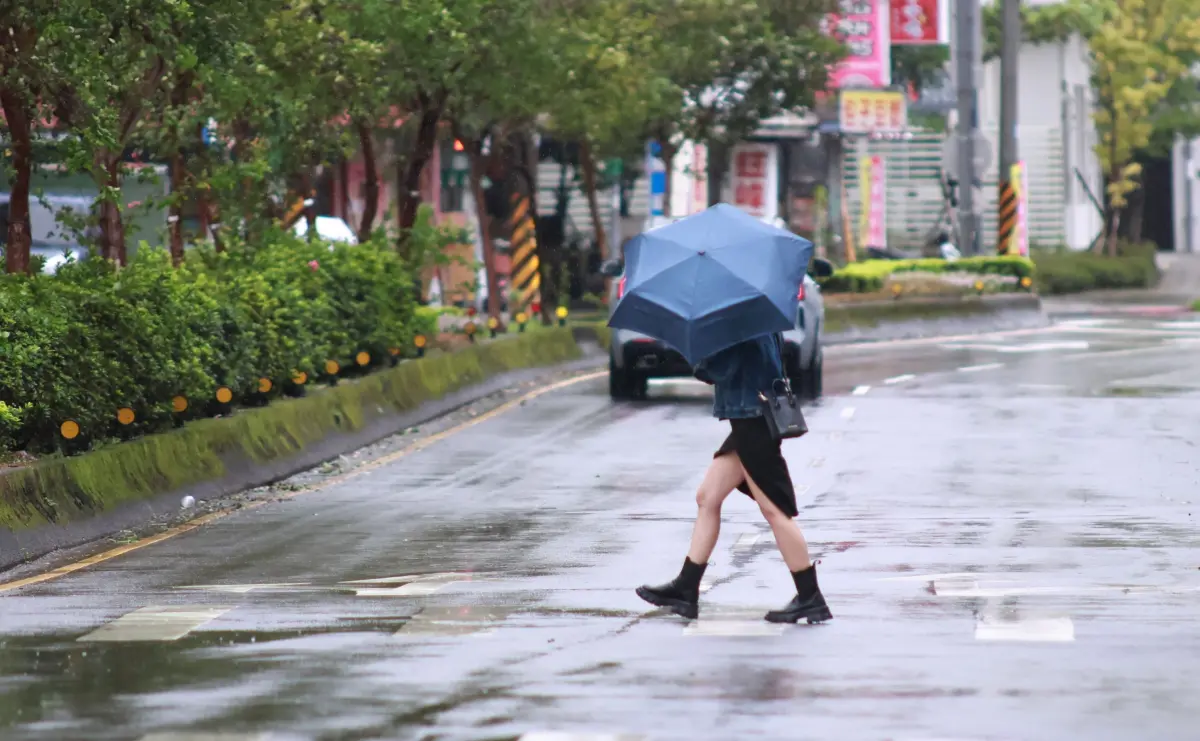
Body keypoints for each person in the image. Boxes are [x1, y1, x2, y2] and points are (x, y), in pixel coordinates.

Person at [635, 332, 832, 624]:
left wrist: (700, 355)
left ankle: (810, 596)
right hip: (746, 419)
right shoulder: (750, 317)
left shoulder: (749, 323)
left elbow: (725, 368)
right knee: (708, 497)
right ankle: (686, 588)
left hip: (754, 420)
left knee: (775, 510)